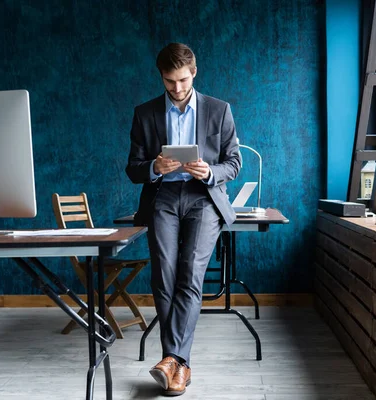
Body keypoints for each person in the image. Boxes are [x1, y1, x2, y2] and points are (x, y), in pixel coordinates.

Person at [126, 42, 241, 396]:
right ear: (160, 76)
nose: (176, 88)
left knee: (191, 275)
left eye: (182, 79)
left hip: (202, 197)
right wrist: (154, 168)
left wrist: (210, 171)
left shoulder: (219, 111)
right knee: (164, 276)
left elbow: (233, 163)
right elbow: (132, 169)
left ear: (194, 73)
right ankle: (179, 366)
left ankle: (172, 360)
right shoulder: (145, 113)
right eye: (169, 80)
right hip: (162, 196)